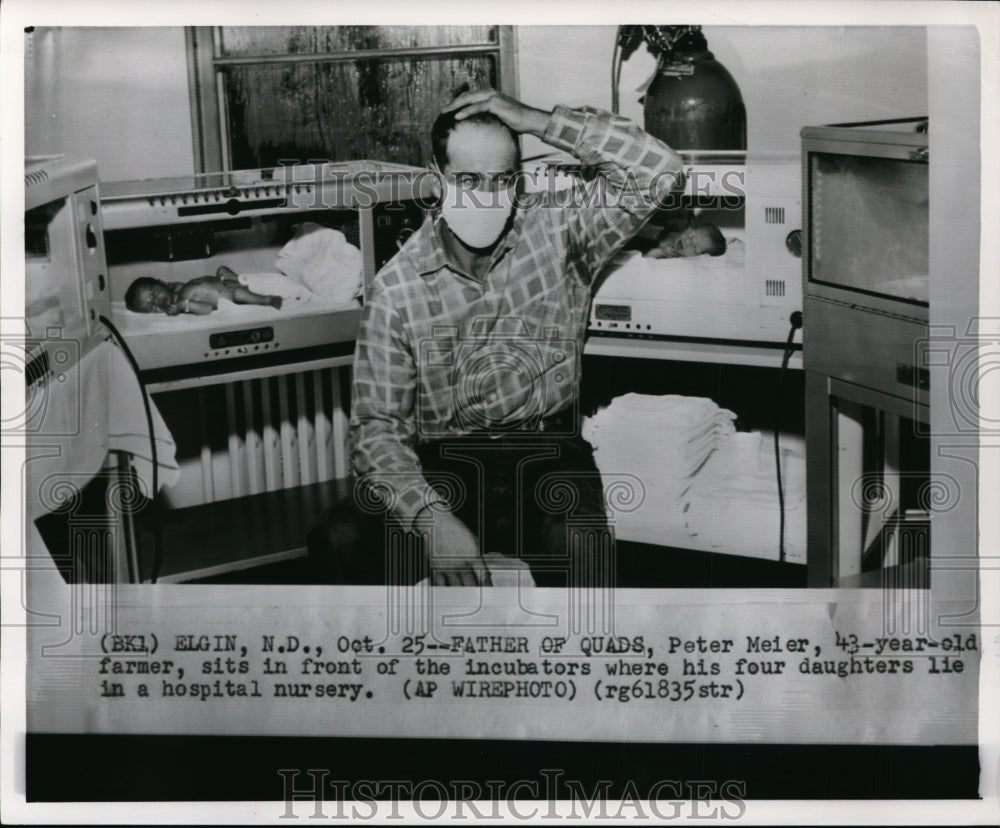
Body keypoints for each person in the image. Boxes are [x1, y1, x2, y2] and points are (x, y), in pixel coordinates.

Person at [307, 88, 683, 587]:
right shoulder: (397, 288)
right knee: (340, 539)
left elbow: (659, 170)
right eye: (467, 179)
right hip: (444, 460)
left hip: (547, 455)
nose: (487, 194)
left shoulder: (559, 230)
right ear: (437, 175)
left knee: (579, 546)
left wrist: (537, 119)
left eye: (502, 179)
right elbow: (377, 428)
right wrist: (430, 519)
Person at [124, 266, 283, 315]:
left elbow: (184, 286)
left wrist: (174, 286)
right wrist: (185, 306)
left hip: (224, 283)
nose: (157, 300)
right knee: (241, 295)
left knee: (222, 270)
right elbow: (207, 309)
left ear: (160, 282)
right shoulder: (180, 304)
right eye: (151, 306)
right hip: (227, 297)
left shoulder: (177, 288)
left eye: (153, 293)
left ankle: (242, 281)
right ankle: (267, 300)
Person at [644, 221, 727, 258]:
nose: (686, 242)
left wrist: (661, 252)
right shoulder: (665, 231)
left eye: (694, 247)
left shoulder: (674, 262)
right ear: (689, 228)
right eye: (691, 236)